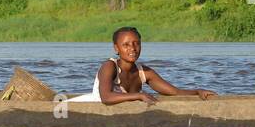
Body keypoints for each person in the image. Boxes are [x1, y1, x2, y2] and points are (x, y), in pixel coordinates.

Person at [69, 27, 216, 105]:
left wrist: (197, 91)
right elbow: (106, 98)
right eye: (125, 45)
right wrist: (139, 95)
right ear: (116, 48)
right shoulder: (109, 66)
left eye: (136, 43)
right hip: (90, 104)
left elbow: (174, 92)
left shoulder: (143, 72)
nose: (132, 48)